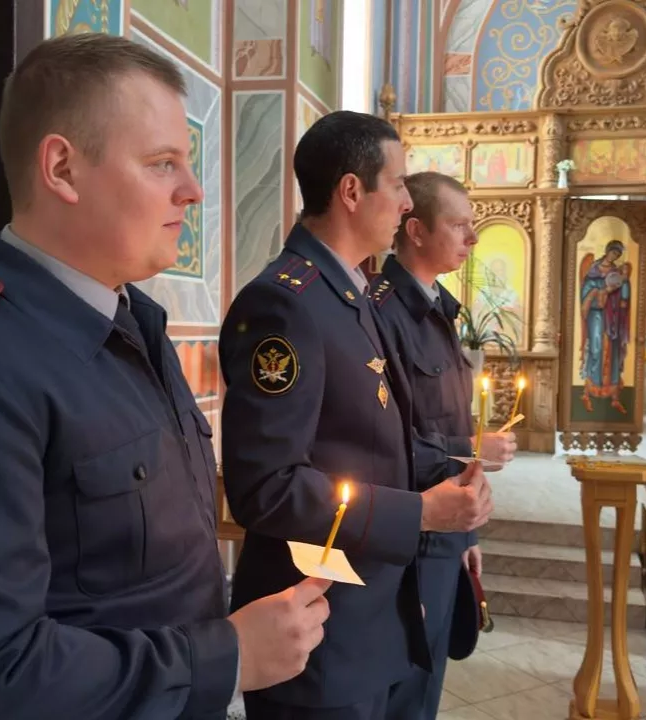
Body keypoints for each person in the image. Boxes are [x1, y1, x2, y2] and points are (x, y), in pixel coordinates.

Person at [0, 34, 330, 720]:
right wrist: (228, 657)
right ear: (62, 168)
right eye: (162, 163)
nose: (193, 190)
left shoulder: (133, 325)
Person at [218, 112, 494, 720]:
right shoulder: (285, 304)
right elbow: (266, 488)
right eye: (396, 185)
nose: (406, 203)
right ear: (350, 191)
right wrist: (421, 512)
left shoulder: (350, 295)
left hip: (368, 622)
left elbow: (371, 442)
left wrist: (451, 474)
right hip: (318, 635)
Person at [370, 172, 516, 719]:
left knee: (426, 689)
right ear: (415, 230)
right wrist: (471, 449)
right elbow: (385, 439)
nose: (472, 238)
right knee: (402, 691)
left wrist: (467, 537)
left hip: (446, 536)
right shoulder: (382, 312)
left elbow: (448, 415)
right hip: (410, 534)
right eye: (459, 225)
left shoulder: (439, 309)